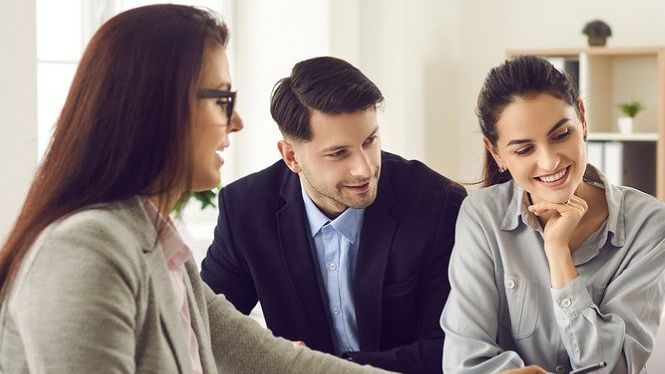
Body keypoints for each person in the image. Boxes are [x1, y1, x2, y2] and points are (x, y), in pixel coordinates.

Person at [0, 5, 396, 373]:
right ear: (157, 109)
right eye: (223, 99)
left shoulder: (161, 245)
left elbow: (280, 364)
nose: (237, 121)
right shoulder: (85, 250)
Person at [201, 56, 466, 374]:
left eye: (370, 141)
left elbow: (449, 350)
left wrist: (312, 366)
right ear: (291, 156)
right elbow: (204, 333)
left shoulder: (436, 202)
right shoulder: (245, 209)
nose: (365, 168)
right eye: (338, 153)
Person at [440, 55, 665, 373]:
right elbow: (464, 361)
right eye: (524, 149)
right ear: (496, 152)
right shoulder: (482, 216)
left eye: (561, 135)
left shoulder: (651, 224)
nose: (549, 162)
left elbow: (613, 368)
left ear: (583, 120)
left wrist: (558, 254)